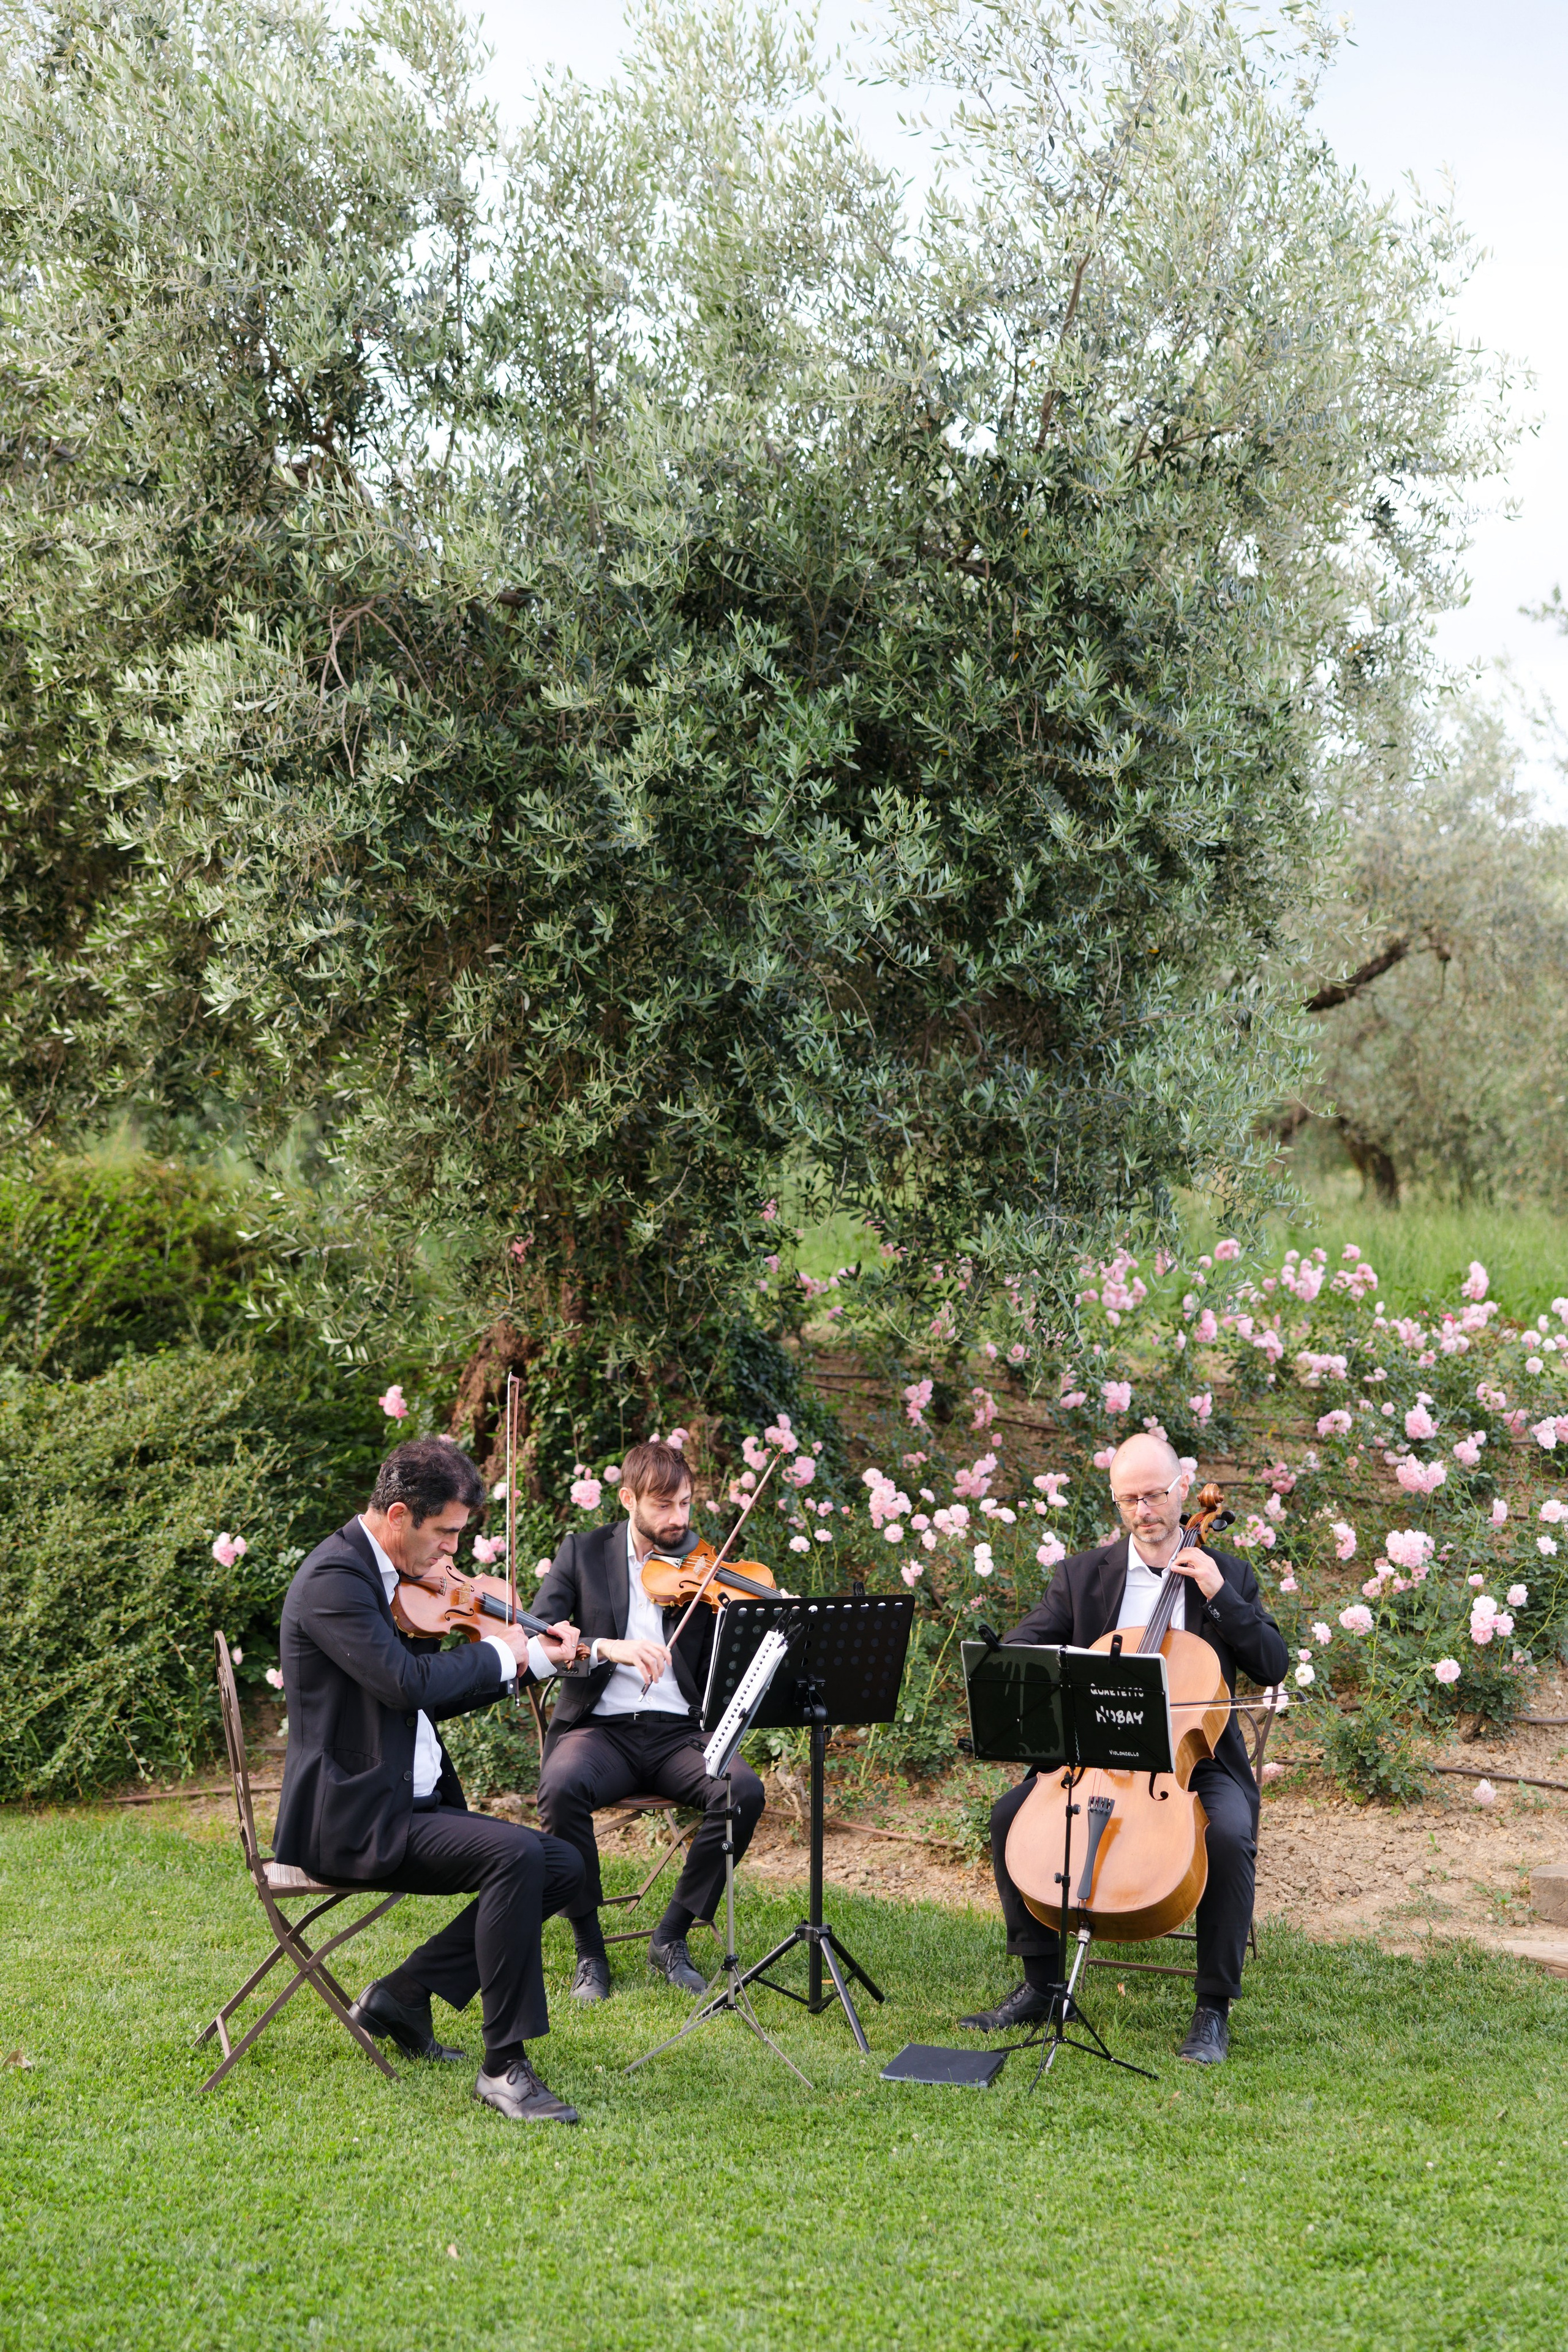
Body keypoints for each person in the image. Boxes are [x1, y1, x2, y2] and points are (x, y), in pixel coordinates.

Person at [274, 1437, 587, 2124]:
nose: (451, 1555)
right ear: (397, 1515)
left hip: (404, 1803)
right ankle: (505, 2067)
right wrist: (510, 1652)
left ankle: (404, 1995)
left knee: (566, 1866)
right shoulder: (336, 1581)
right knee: (517, 1854)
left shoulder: (389, 1579)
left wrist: (530, 1662)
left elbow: (426, 1697)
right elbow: (406, 1682)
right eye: (443, 1533)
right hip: (353, 1818)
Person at [958, 1431, 1288, 2065]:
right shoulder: (1083, 1576)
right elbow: (1028, 1648)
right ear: (1116, 1503)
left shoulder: (1229, 1575)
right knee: (1008, 1816)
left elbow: (1270, 1664)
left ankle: (1211, 2009)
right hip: (1096, 1754)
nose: (1144, 1511)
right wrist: (1010, 1656)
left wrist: (1220, 1594)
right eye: (1129, 1499)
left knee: (1225, 1834)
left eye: (1155, 1495)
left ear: (1183, 1491)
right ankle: (1040, 1985)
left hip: (1193, 1761)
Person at [533, 1439, 768, 2002]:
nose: (678, 1519)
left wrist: (753, 1617)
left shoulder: (704, 1569)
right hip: (600, 1729)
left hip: (678, 1733)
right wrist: (605, 1647)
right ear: (628, 1499)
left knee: (743, 1790)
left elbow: (726, 1669)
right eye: (663, 1505)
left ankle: (671, 1936)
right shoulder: (583, 1552)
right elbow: (539, 1630)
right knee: (561, 1787)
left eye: (685, 1504)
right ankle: (590, 1950)